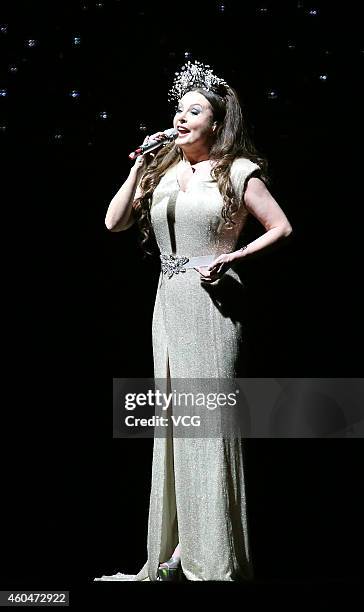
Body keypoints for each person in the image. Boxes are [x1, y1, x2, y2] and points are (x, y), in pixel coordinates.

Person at [94, 61, 293, 582]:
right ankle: (176, 549)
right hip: (168, 302)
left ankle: (212, 550)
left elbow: (282, 226)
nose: (181, 118)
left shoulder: (237, 170)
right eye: (178, 109)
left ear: (216, 121)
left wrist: (235, 256)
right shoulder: (160, 170)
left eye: (194, 111)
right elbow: (114, 222)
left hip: (214, 302)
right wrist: (139, 166)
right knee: (175, 425)